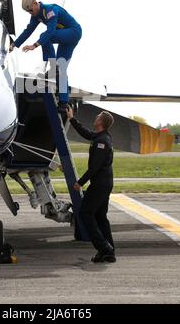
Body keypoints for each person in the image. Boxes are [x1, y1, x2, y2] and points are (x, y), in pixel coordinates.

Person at [9, 0, 82, 112]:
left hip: (73, 32)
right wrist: (14, 45)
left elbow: (50, 32)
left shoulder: (50, 10)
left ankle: (53, 68)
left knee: (45, 36)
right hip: (65, 37)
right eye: (28, 12)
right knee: (61, 68)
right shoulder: (36, 15)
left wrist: (35, 45)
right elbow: (28, 31)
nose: (31, 13)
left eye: (31, 10)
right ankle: (64, 103)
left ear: (35, 3)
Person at [67, 106, 116, 263]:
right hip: (104, 183)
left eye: (97, 117)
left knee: (85, 214)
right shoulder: (101, 137)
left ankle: (104, 248)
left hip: (100, 185)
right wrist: (72, 119)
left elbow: (94, 168)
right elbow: (86, 134)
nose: (95, 118)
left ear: (101, 121)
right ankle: (109, 251)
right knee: (101, 216)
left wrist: (79, 183)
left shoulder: (102, 142)